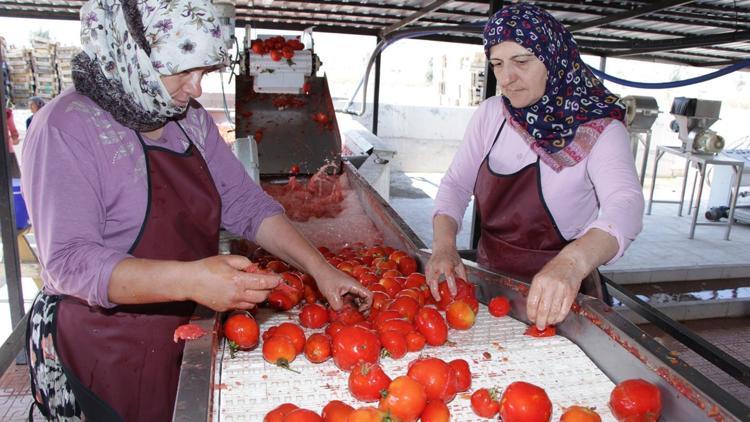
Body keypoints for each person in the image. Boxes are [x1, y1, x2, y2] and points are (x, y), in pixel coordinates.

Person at [22, 1, 372, 420]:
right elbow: (70, 262)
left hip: (181, 333)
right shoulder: (67, 126)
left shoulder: (189, 121)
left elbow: (245, 204)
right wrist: (191, 279)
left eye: (205, 72)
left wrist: (320, 269)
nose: (197, 89)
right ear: (133, 49)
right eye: (184, 70)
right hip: (100, 345)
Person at [426, 3, 643, 331]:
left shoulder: (598, 128)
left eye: (522, 62)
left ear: (552, 59)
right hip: (491, 290)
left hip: (563, 300)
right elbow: (457, 183)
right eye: (497, 64)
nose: (507, 79)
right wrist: (444, 245)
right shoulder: (491, 115)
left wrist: (572, 263)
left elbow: (626, 204)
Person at [4, 100, 20, 178]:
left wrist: (15, 137)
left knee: (12, 177)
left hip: (6, 149)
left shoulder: (7, 113)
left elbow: (13, 130)